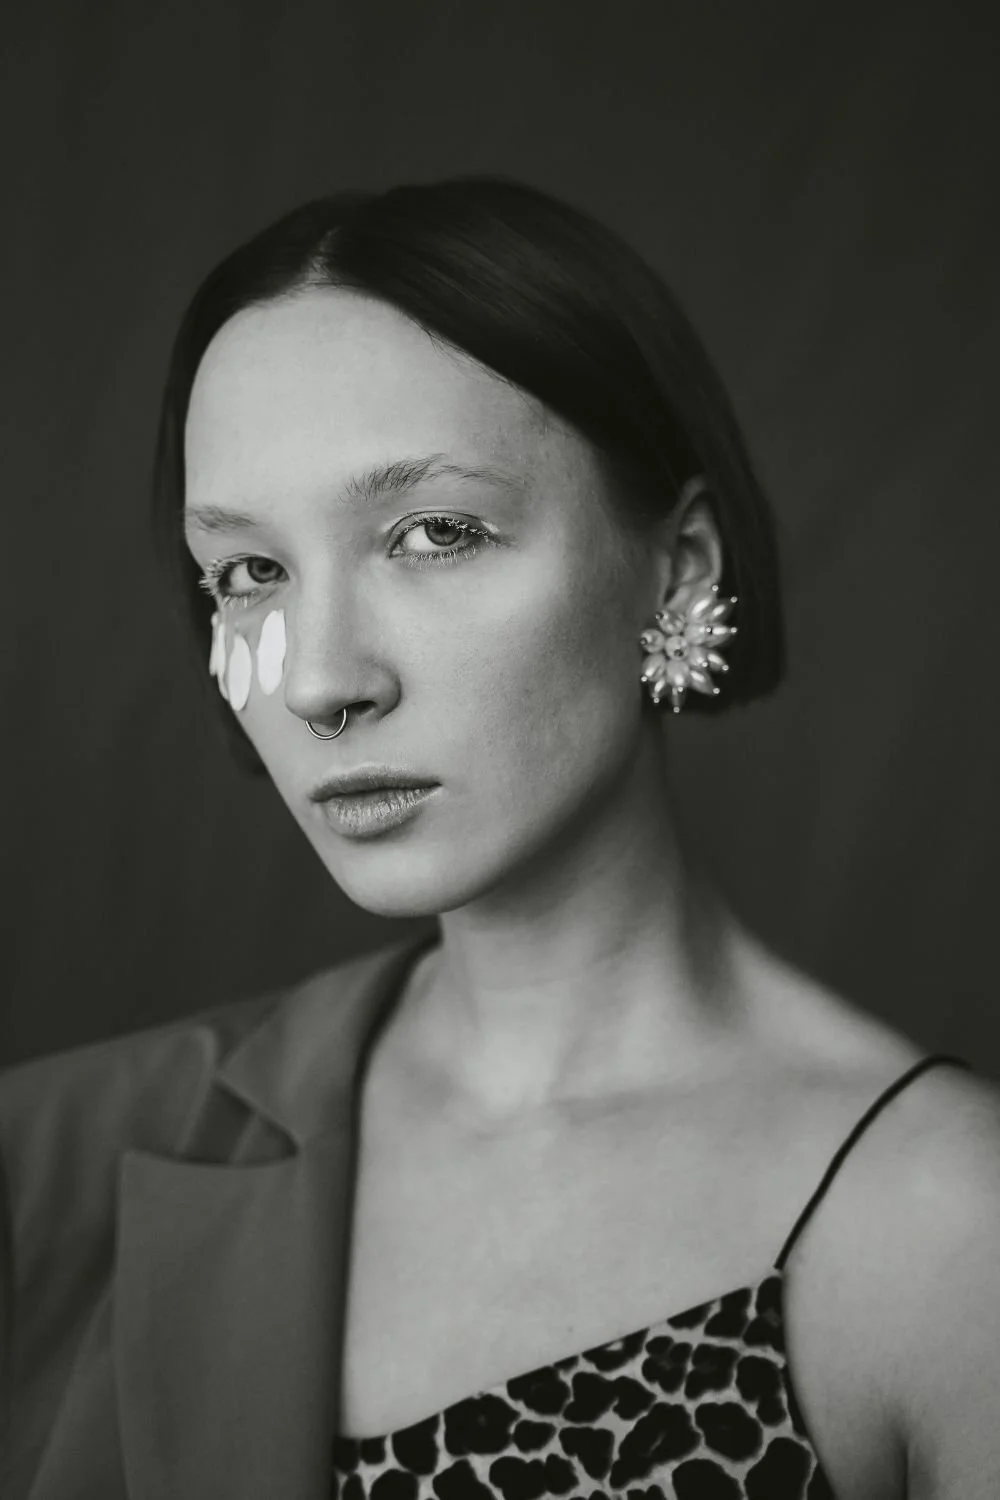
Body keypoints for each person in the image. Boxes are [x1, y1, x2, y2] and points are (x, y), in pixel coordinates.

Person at [1, 175, 998, 1500]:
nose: (319, 682)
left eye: (434, 534)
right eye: (251, 572)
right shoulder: (51, 1168)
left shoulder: (946, 1235)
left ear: (680, 566)